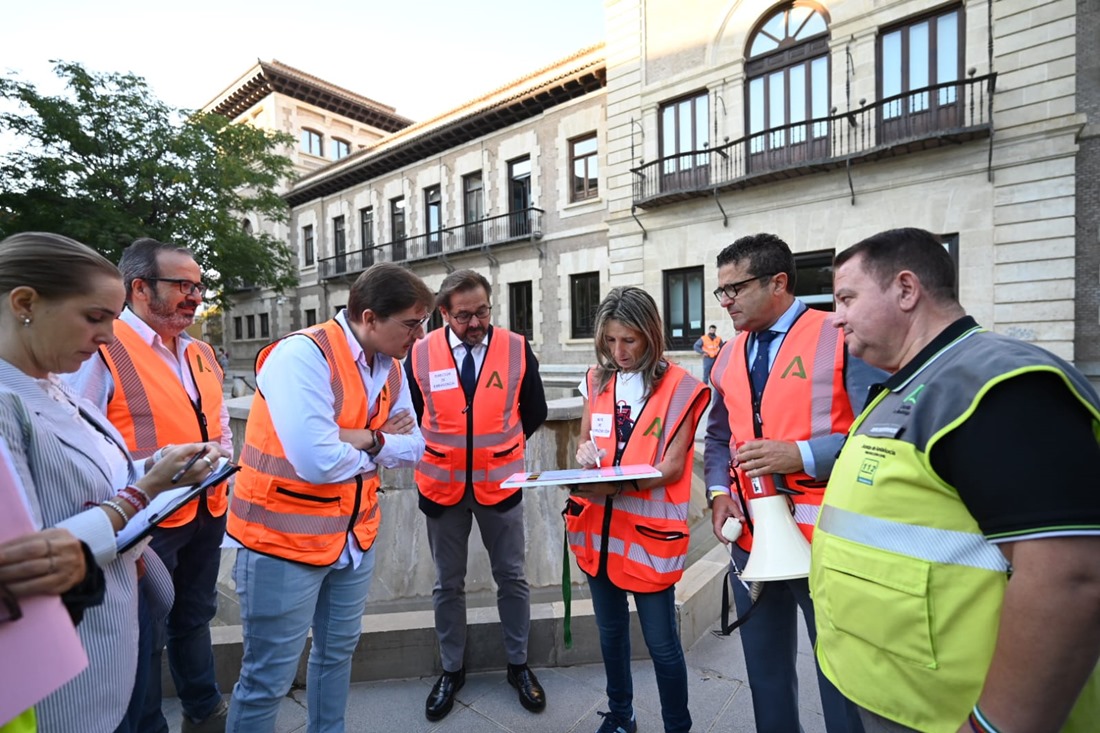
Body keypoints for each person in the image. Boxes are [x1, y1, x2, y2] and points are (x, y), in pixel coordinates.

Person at [812, 227, 1100, 732]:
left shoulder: (999, 386)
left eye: (846, 297)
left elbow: (1071, 578)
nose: (835, 316)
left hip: (951, 715)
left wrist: (994, 725)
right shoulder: (909, 384)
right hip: (893, 695)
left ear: (906, 290)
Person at [0, 231, 225, 733]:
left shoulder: (53, 383)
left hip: (110, 626)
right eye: (95, 317)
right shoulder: (12, 400)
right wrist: (143, 492)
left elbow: (101, 474)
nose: (108, 335)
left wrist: (156, 470)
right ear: (25, 304)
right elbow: (26, 557)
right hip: (61, 669)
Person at [225, 262, 433, 732]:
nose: (419, 336)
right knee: (266, 679)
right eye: (411, 323)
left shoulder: (392, 369)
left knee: (336, 655)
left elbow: (415, 448)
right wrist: (379, 440)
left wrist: (365, 439)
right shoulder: (302, 356)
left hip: (353, 540)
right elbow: (316, 462)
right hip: (280, 543)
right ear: (369, 317)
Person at [704, 233, 879, 733]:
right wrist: (718, 494)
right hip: (751, 539)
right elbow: (718, 439)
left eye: (734, 288)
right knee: (764, 671)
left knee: (841, 674)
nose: (726, 301)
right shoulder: (727, 354)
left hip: (824, 537)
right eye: (722, 292)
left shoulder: (839, 334)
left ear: (778, 282)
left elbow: (880, 433)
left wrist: (800, 454)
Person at [68, 237, 233, 733]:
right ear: (139, 288)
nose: (196, 296)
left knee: (195, 617)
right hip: (144, 522)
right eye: (183, 285)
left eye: (199, 286)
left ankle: (204, 712)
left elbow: (218, 422)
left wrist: (219, 454)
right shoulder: (101, 349)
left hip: (206, 508)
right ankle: (145, 725)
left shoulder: (200, 350)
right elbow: (82, 445)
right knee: (140, 634)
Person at [405, 269, 548, 721]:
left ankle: (519, 666)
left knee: (512, 577)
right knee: (447, 583)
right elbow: (409, 413)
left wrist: (497, 447)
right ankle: (452, 670)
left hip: (500, 483)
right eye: (464, 315)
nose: (476, 322)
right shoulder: (419, 352)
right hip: (441, 486)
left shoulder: (516, 348)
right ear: (444, 313)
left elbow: (536, 411)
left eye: (482, 311)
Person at [566, 286, 709, 733]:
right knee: (610, 636)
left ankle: (676, 726)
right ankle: (621, 716)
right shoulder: (596, 378)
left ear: (651, 334)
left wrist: (616, 487)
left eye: (628, 340)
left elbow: (670, 466)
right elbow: (585, 440)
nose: (619, 352)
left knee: (662, 644)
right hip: (598, 533)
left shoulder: (682, 388)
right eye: (610, 341)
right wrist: (585, 455)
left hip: (648, 539)